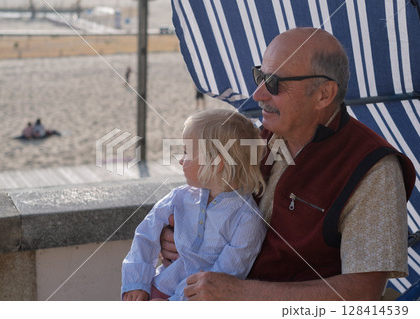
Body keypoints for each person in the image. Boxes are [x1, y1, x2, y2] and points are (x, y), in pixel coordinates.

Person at [160, 27, 416, 300]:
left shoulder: (373, 170)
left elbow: (362, 293)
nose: (258, 94)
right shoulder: (260, 138)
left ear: (324, 95)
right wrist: (178, 234)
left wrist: (241, 293)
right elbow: (209, 198)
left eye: (274, 83)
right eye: (260, 76)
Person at [121, 109, 267, 301]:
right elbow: (145, 236)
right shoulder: (179, 197)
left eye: (186, 152)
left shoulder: (247, 220)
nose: (181, 160)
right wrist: (136, 283)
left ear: (215, 162)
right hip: (159, 286)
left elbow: (222, 278)